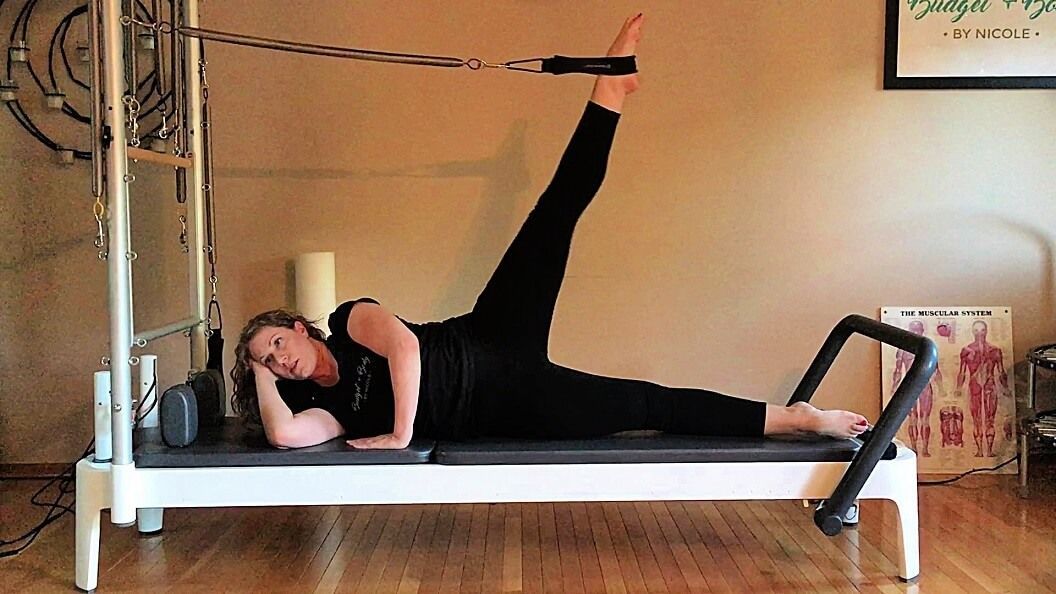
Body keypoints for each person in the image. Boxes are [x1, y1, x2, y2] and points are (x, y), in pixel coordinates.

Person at [230, 14, 870, 450]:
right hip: (508, 405)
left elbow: (403, 350)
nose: (280, 356)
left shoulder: (348, 319)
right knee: (642, 405)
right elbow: (287, 436)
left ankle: (611, 88)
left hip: (487, 336)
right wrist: (254, 370)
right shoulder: (330, 414)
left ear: (301, 326)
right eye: (270, 358)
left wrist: (400, 435)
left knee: (554, 213)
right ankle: (794, 418)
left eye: (277, 341)